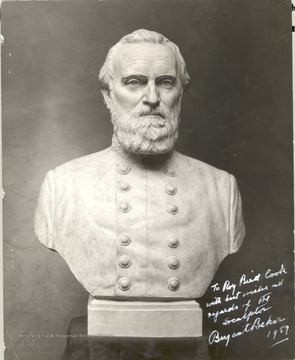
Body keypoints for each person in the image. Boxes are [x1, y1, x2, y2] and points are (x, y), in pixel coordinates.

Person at [34, 29, 245, 300]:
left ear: (181, 93)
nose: (152, 98)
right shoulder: (61, 187)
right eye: (134, 82)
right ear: (108, 95)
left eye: (166, 82)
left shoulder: (221, 190)